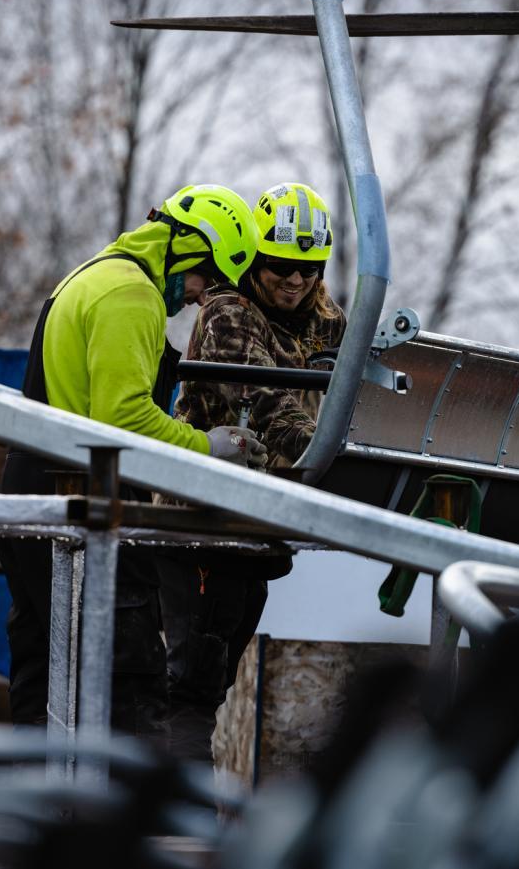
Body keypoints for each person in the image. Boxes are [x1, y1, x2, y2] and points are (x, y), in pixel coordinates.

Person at [0, 184, 268, 737]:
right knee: (131, 682)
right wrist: (208, 447)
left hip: (32, 488)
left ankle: (36, 810)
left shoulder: (92, 274)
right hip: (80, 501)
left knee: (43, 676)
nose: (199, 298)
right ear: (189, 248)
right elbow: (122, 417)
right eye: (206, 280)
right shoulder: (132, 296)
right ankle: (122, 819)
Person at [159, 182, 347, 761]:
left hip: (258, 527)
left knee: (212, 685)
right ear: (256, 259)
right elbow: (267, 404)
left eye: (308, 269)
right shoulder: (228, 312)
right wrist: (337, 462)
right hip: (200, 526)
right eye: (282, 266)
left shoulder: (327, 320)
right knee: (185, 686)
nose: (295, 281)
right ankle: (167, 823)